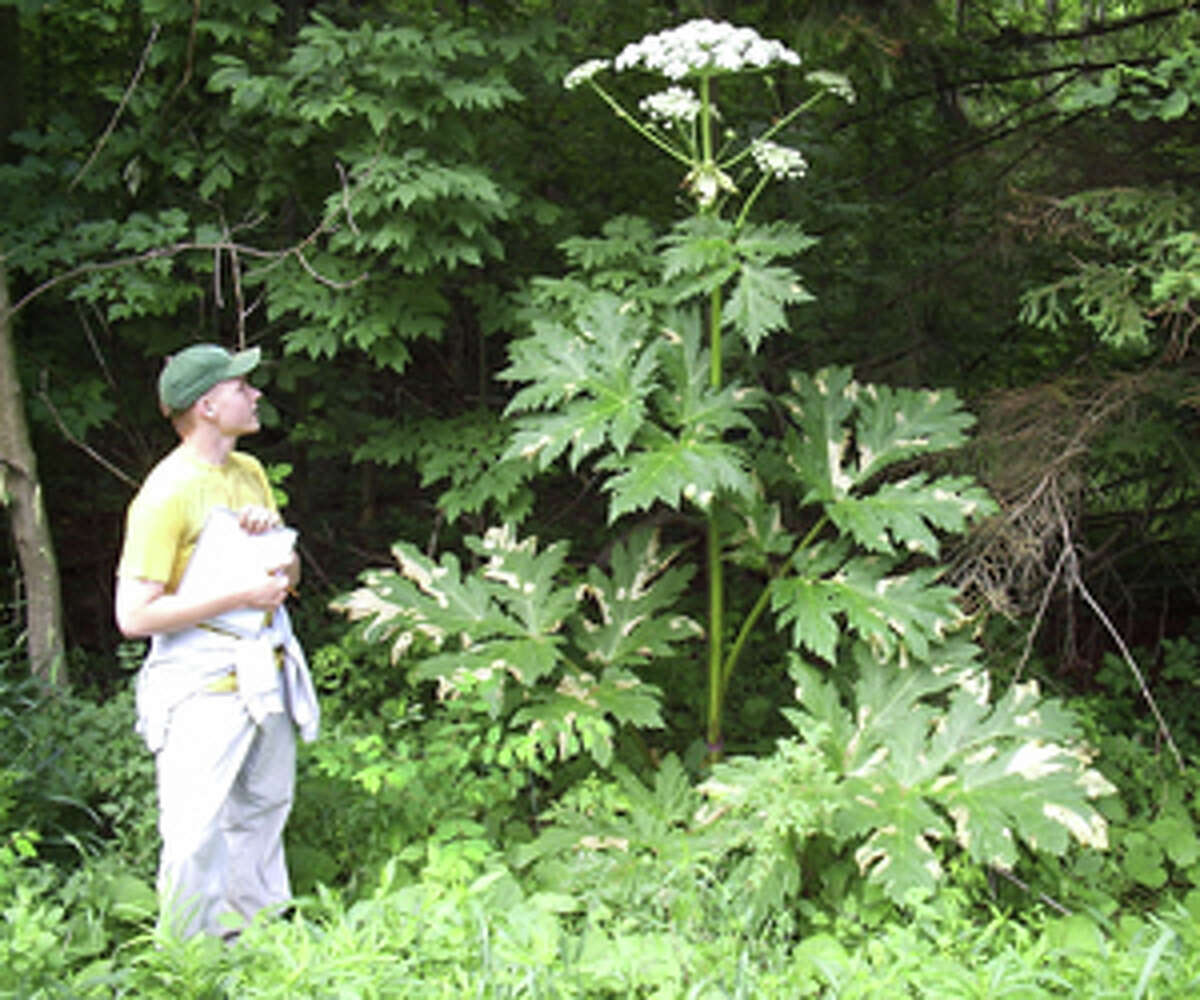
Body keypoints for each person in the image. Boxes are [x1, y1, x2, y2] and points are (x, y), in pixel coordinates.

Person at [114, 343, 318, 940]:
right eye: (241, 387)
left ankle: (255, 940)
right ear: (206, 405)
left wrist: (273, 548)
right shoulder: (165, 494)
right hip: (200, 688)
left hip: (263, 672)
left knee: (262, 810)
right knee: (195, 831)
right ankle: (187, 962)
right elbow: (134, 615)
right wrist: (238, 597)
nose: (255, 395)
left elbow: (288, 575)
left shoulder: (249, 472)